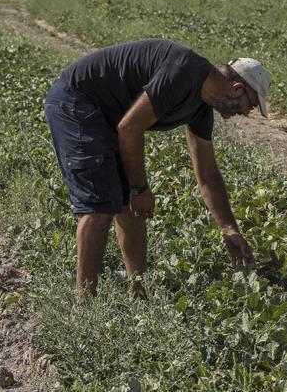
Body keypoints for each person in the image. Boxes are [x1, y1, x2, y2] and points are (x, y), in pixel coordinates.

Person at [44, 39, 270, 296]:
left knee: (132, 208)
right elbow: (129, 128)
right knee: (100, 205)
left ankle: (138, 293)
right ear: (237, 88)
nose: (245, 113)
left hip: (108, 115)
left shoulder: (202, 109)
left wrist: (229, 228)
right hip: (76, 101)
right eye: (249, 105)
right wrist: (140, 188)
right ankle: (84, 306)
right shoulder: (183, 72)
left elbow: (207, 175)